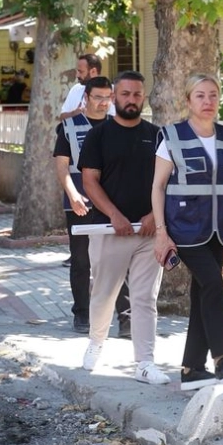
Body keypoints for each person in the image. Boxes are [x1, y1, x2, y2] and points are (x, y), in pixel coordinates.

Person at [151, 73, 223, 390]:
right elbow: (157, 187)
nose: (208, 101)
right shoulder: (172, 137)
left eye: (213, 95)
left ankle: (192, 369)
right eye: (200, 95)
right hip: (183, 229)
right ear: (188, 100)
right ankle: (222, 359)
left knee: (202, 294)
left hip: (218, 230)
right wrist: (161, 233)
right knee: (212, 283)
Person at [77, 71, 170, 384]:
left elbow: (168, 181)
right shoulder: (99, 136)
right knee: (104, 294)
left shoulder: (158, 136)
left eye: (137, 94)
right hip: (109, 231)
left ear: (144, 97)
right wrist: (114, 215)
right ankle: (96, 342)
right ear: (114, 97)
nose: (132, 100)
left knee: (145, 298)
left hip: (149, 232)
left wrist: (155, 216)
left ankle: (145, 363)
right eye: (126, 94)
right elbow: (89, 181)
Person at [53, 75, 129, 337]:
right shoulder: (69, 127)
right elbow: (61, 166)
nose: (104, 103)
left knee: (119, 258)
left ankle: (126, 318)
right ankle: (82, 314)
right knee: (81, 260)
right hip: (80, 203)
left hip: (114, 204)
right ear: (86, 97)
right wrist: (73, 194)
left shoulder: (120, 126)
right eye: (98, 97)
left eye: (108, 98)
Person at [59, 53, 104, 120]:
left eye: (81, 72)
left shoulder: (110, 91)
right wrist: (74, 114)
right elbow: (62, 117)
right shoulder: (76, 89)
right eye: (77, 71)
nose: (77, 75)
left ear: (93, 71)